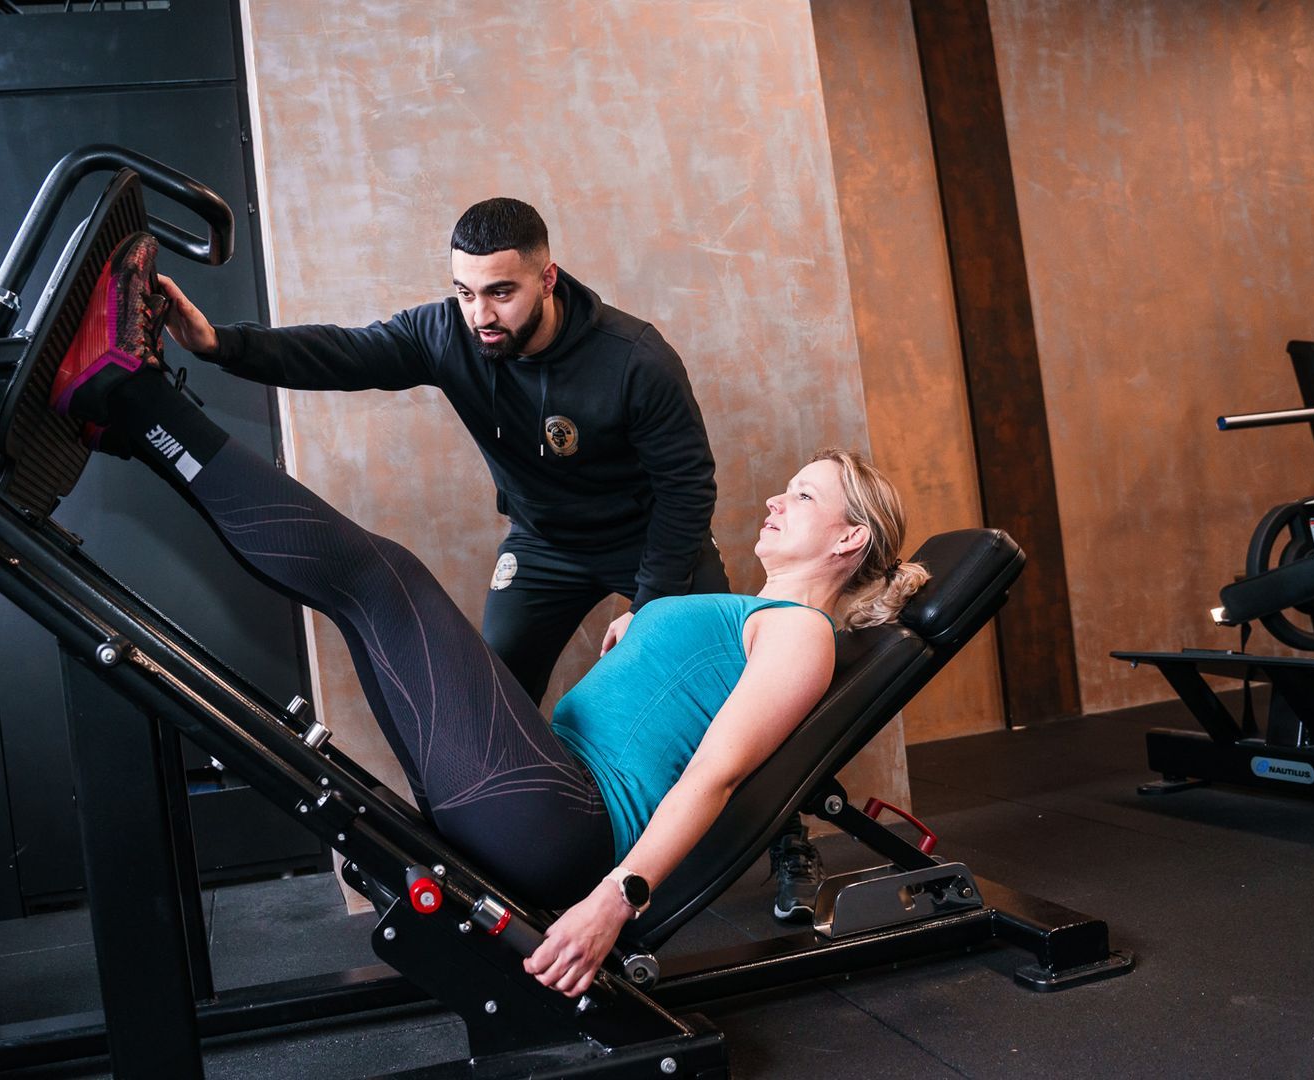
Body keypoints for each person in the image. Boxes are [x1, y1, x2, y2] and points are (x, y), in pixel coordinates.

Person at [50, 233, 929, 996]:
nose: (775, 498)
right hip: (544, 796)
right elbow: (356, 353)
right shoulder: (748, 614)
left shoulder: (801, 634)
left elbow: (715, 778)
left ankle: (136, 400)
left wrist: (613, 902)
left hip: (562, 821)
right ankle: (134, 419)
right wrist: (650, 630)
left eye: (803, 496)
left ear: (849, 539)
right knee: (364, 597)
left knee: (380, 580)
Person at [151, 197, 824, 922]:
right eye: (466, 292)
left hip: (653, 545)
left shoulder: (635, 358)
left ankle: (791, 844)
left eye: (501, 292)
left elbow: (687, 488)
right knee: (484, 692)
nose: (481, 314)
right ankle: (480, 873)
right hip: (544, 546)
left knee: (743, 693)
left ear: (548, 278)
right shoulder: (450, 334)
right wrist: (219, 343)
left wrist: (652, 607)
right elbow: (343, 352)